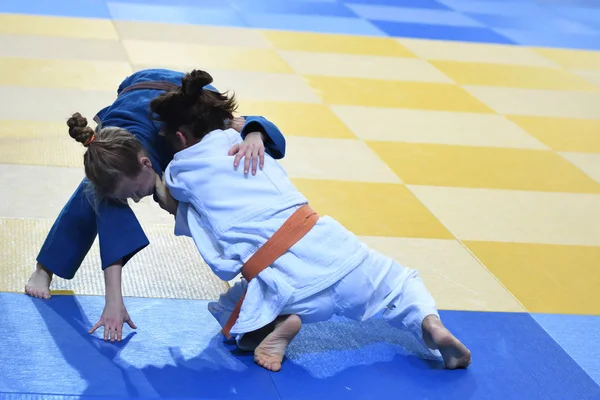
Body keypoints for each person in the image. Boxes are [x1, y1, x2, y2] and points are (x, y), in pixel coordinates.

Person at [72, 69, 472, 373]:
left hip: (277, 276)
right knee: (400, 283)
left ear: (176, 139)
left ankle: (279, 325)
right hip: (328, 243)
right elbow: (246, 127)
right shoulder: (246, 141)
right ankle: (430, 325)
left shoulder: (179, 171)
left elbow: (168, 200)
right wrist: (254, 134)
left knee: (230, 316)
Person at [24, 68, 288, 343]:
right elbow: (114, 231)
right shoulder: (109, 154)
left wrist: (253, 133)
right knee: (93, 192)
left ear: (147, 163)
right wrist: (113, 301)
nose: (138, 199)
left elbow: (247, 123)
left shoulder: (191, 119)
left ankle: (263, 277)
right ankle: (45, 268)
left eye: (136, 192)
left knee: (231, 175)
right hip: (133, 95)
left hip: (174, 91)